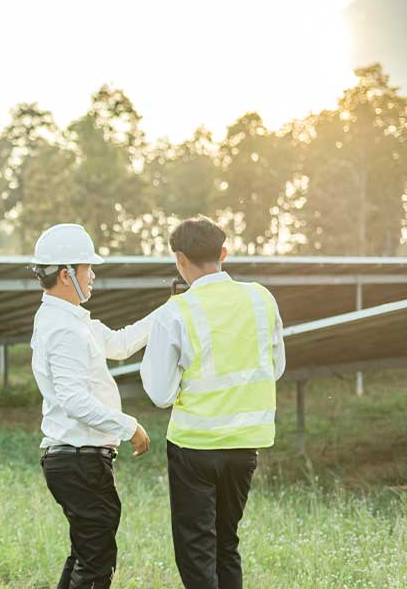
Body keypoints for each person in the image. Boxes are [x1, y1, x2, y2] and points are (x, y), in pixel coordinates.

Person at [140, 216, 285, 589]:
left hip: (194, 448)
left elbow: (160, 394)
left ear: (179, 260)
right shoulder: (261, 299)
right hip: (245, 446)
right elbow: (276, 367)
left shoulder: (176, 311)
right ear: (224, 253)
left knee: (196, 550)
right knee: (226, 544)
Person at [29, 223, 157, 589]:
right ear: (67, 274)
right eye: (88, 268)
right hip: (79, 459)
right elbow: (72, 398)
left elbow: (119, 344)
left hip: (76, 459)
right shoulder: (64, 328)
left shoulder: (69, 320)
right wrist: (127, 425)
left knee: (85, 555)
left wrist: (167, 312)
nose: (94, 275)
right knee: (97, 561)